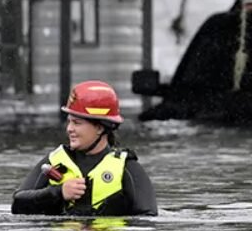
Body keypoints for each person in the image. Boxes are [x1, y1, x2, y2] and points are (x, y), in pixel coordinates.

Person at [11, 80, 158, 216]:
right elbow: (17, 204)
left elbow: (148, 217)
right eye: (69, 122)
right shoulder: (55, 161)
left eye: (77, 123)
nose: (69, 129)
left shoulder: (127, 167)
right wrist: (58, 192)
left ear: (100, 128)